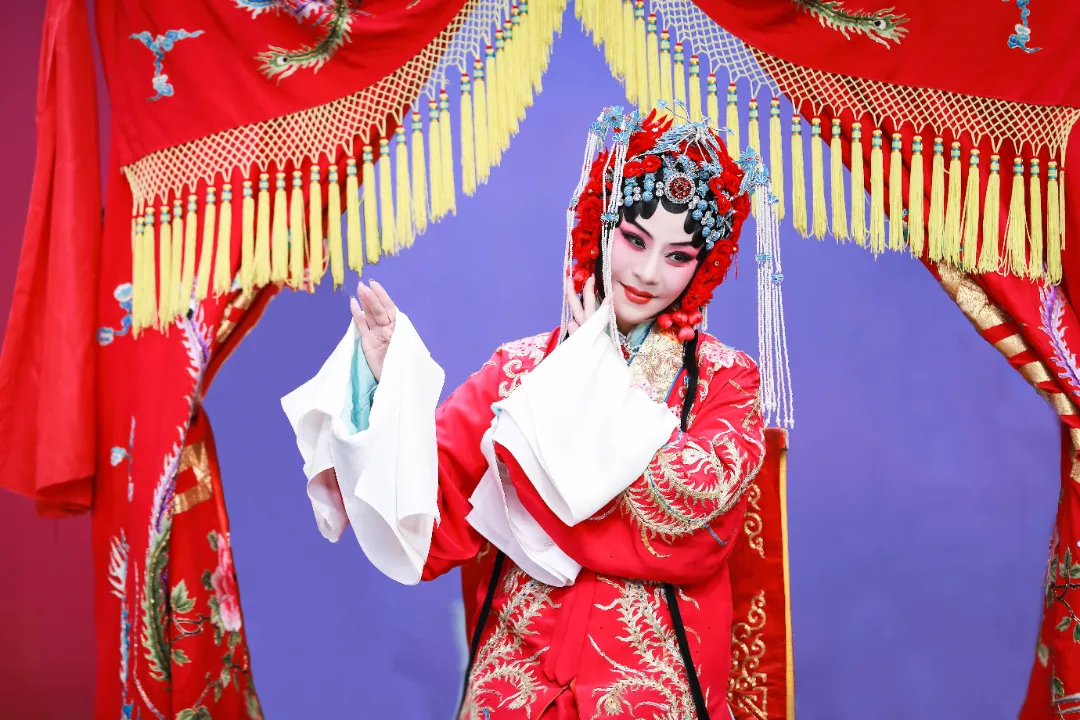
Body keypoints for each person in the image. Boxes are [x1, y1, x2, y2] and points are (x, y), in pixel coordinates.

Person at [282, 107, 767, 719]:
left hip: (648, 685)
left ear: (704, 264)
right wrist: (386, 388)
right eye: (635, 239)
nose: (647, 273)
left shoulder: (725, 381)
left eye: (678, 255)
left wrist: (591, 380)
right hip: (519, 679)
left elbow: (695, 515)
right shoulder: (519, 370)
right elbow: (432, 512)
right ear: (600, 225)